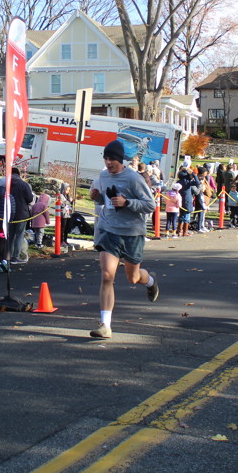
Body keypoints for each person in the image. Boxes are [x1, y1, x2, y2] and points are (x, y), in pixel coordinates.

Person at [89, 140, 160, 339]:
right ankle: (105, 325)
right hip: (109, 230)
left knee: (133, 278)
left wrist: (127, 202)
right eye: (106, 158)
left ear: (120, 160)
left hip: (132, 233)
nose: (108, 162)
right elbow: (107, 200)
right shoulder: (103, 176)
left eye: (111, 159)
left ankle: (150, 281)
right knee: (106, 276)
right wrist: (97, 197)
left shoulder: (133, 178)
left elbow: (150, 205)